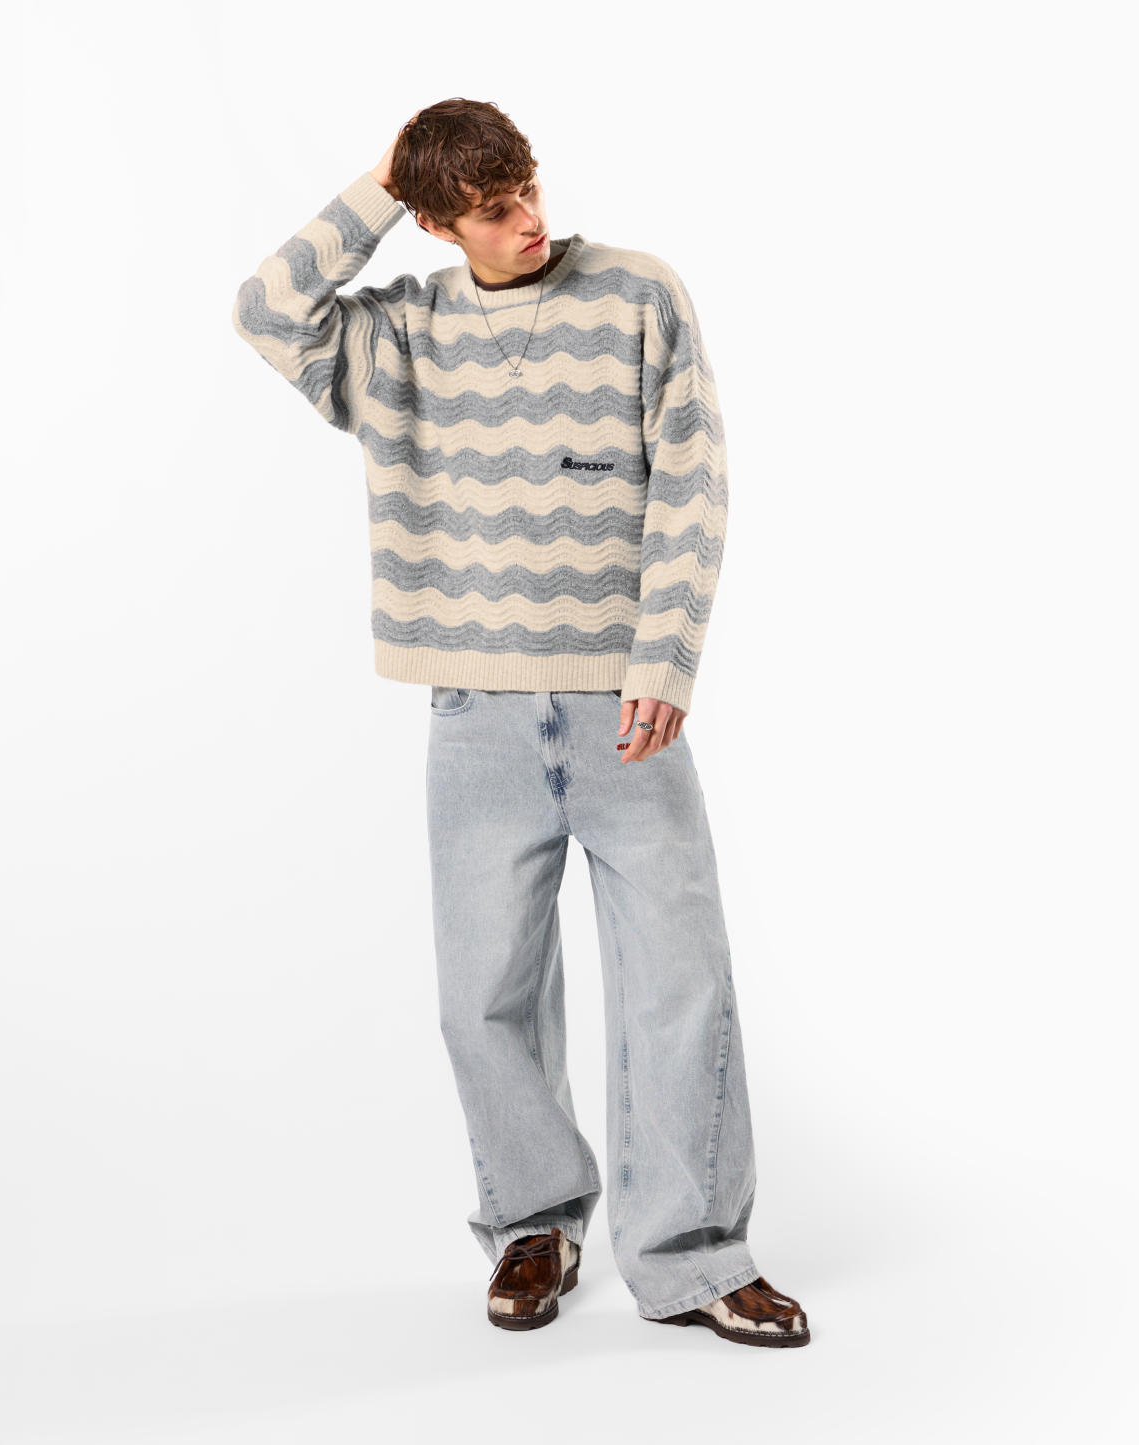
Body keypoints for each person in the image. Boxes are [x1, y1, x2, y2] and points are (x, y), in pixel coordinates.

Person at [233, 98, 809, 1347]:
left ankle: (694, 1253)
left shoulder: (638, 294)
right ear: (436, 222)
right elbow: (266, 306)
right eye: (493, 211)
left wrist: (665, 652)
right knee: (482, 992)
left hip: (625, 705)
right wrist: (383, 178)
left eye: (530, 189)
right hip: (473, 709)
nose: (529, 219)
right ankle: (532, 1220)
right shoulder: (399, 335)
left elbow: (693, 476)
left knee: (680, 984)